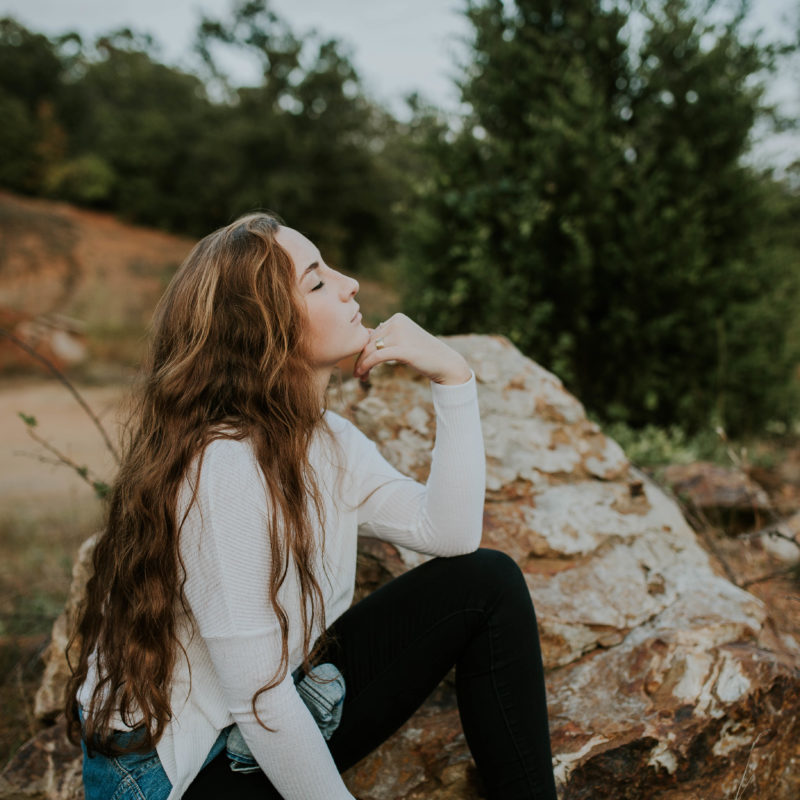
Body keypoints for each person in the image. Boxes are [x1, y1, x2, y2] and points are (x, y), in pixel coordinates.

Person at [66, 212, 558, 800]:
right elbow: (259, 699)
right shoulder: (220, 466)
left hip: (263, 720)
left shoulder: (324, 439)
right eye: (318, 281)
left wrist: (453, 378)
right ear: (264, 329)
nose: (350, 284)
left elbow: (448, 532)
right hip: (177, 777)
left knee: (486, 583)